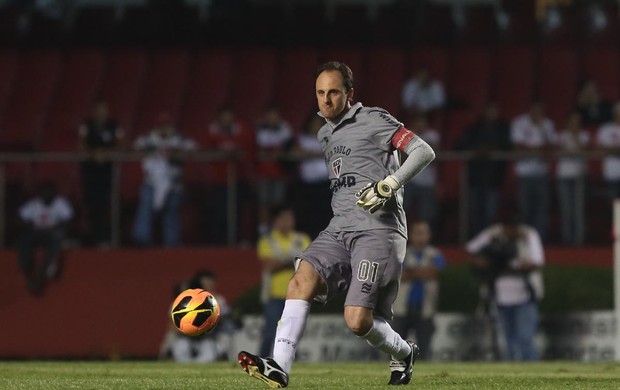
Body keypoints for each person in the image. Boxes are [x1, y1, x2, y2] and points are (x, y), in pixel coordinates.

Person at [238, 61, 436, 388]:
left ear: (349, 94)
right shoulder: (324, 133)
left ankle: (403, 353)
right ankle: (279, 366)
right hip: (339, 228)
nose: (326, 100)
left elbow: (423, 151)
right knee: (301, 279)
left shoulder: (374, 119)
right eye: (320, 93)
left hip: (378, 230)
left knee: (358, 321)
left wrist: (390, 183)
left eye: (333, 92)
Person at [465, 214, 544, 361]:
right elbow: (471, 249)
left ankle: (532, 370)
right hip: (500, 295)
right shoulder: (494, 234)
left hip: (524, 295)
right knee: (507, 340)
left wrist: (516, 266)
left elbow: (537, 262)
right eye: (508, 229)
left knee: (525, 337)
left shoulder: (528, 234)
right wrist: (485, 262)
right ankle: (511, 372)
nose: (510, 232)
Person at [132, 112, 197, 246]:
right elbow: (136, 145)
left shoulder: (177, 138)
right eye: (161, 126)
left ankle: (171, 243)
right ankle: (141, 240)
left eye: (166, 125)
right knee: (146, 206)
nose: (164, 129)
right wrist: (154, 151)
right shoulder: (150, 138)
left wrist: (175, 152)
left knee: (172, 211)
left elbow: (193, 146)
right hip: (152, 183)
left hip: (174, 184)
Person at [257, 204, 311, 357]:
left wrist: (282, 260)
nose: (287, 222)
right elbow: (269, 265)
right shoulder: (267, 239)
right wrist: (294, 259)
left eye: (290, 218)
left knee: (293, 333)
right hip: (274, 294)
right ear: (276, 220)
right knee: (270, 332)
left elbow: (307, 263)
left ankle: (289, 363)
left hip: (296, 294)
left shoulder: (302, 238)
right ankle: (260, 361)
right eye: (284, 218)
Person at [454, 102, 512, 237]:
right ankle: (474, 239)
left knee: (490, 213)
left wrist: (491, 149)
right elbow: (459, 145)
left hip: (493, 179)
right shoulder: (474, 128)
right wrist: (476, 151)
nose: (492, 114)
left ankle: (489, 240)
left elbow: (507, 147)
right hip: (474, 177)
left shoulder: (503, 128)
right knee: (473, 212)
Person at [392, 220, 445, 361]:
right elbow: (400, 275)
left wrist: (411, 272)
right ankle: (397, 373)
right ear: (411, 235)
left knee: (424, 348)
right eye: (417, 233)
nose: (420, 237)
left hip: (425, 308)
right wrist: (423, 272)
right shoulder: (400, 252)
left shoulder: (435, 254)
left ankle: (422, 376)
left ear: (429, 235)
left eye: (424, 233)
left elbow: (434, 273)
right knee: (396, 347)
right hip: (401, 307)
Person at [159, 269, 238, 362]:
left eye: (210, 283)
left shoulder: (218, 300)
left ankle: (226, 359)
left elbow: (222, 320)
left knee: (223, 339)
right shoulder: (182, 301)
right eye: (204, 283)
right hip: (183, 336)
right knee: (173, 339)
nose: (207, 286)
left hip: (210, 335)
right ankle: (165, 358)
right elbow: (172, 324)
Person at [78, 100, 124, 247]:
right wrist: (94, 154)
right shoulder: (87, 125)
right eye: (99, 110)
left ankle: (107, 239)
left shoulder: (113, 126)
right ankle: (92, 239)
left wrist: (106, 153)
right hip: (90, 172)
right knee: (92, 205)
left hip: (108, 172)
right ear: (94, 111)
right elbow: (81, 144)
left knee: (107, 205)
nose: (102, 113)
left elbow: (121, 143)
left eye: (104, 110)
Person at [510, 101, 557, 240]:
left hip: (541, 173)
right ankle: (524, 240)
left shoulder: (547, 124)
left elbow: (551, 148)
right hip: (524, 173)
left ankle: (539, 240)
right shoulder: (519, 123)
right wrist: (538, 150)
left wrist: (541, 133)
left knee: (541, 210)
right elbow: (518, 147)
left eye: (540, 110)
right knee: (525, 209)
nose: (537, 113)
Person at [17, 182, 73, 295]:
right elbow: (22, 218)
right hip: (36, 232)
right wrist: (31, 228)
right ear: (40, 194)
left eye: (49, 193)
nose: (47, 195)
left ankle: (46, 267)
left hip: (52, 233)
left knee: (57, 239)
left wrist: (55, 228)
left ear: (54, 193)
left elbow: (68, 220)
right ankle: (26, 266)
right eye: (44, 193)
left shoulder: (60, 203)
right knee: (23, 240)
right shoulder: (33, 204)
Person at [290, 111, 332, 238]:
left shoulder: (329, 137)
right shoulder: (302, 138)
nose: (316, 127)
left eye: (319, 124)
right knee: (308, 214)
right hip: (307, 184)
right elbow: (294, 153)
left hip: (325, 183)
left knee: (324, 214)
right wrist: (315, 154)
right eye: (314, 124)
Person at [255, 106, 295, 236]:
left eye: (274, 116)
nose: (272, 119)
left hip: (279, 173)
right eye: (269, 116)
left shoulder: (285, 129)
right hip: (263, 172)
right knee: (263, 203)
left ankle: (276, 230)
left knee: (277, 203)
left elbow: (289, 148)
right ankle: (263, 231)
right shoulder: (258, 130)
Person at [556, 111, 590, 245]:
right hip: (563, 175)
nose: (575, 124)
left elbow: (584, 150)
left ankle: (578, 241)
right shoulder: (561, 136)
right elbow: (558, 150)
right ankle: (567, 240)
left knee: (578, 210)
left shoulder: (583, 135)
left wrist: (575, 137)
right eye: (572, 121)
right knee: (566, 209)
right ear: (567, 122)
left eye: (577, 121)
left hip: (579, 175)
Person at [402, 114, 440, 232]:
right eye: (417, 122)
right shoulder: (407, 134)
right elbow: (404, 153)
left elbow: (430, 152)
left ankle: (426, 238)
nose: (420, 124)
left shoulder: (433, 135)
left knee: (426, 214)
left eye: (422, 122)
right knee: (403, 211)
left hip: (427, 182)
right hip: (410, 180)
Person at [596, 101, 620, 201]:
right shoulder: (605, 128)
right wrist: (614, 149)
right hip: (611, 172)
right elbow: (600, 147)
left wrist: (611, 149)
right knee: (614, 203)